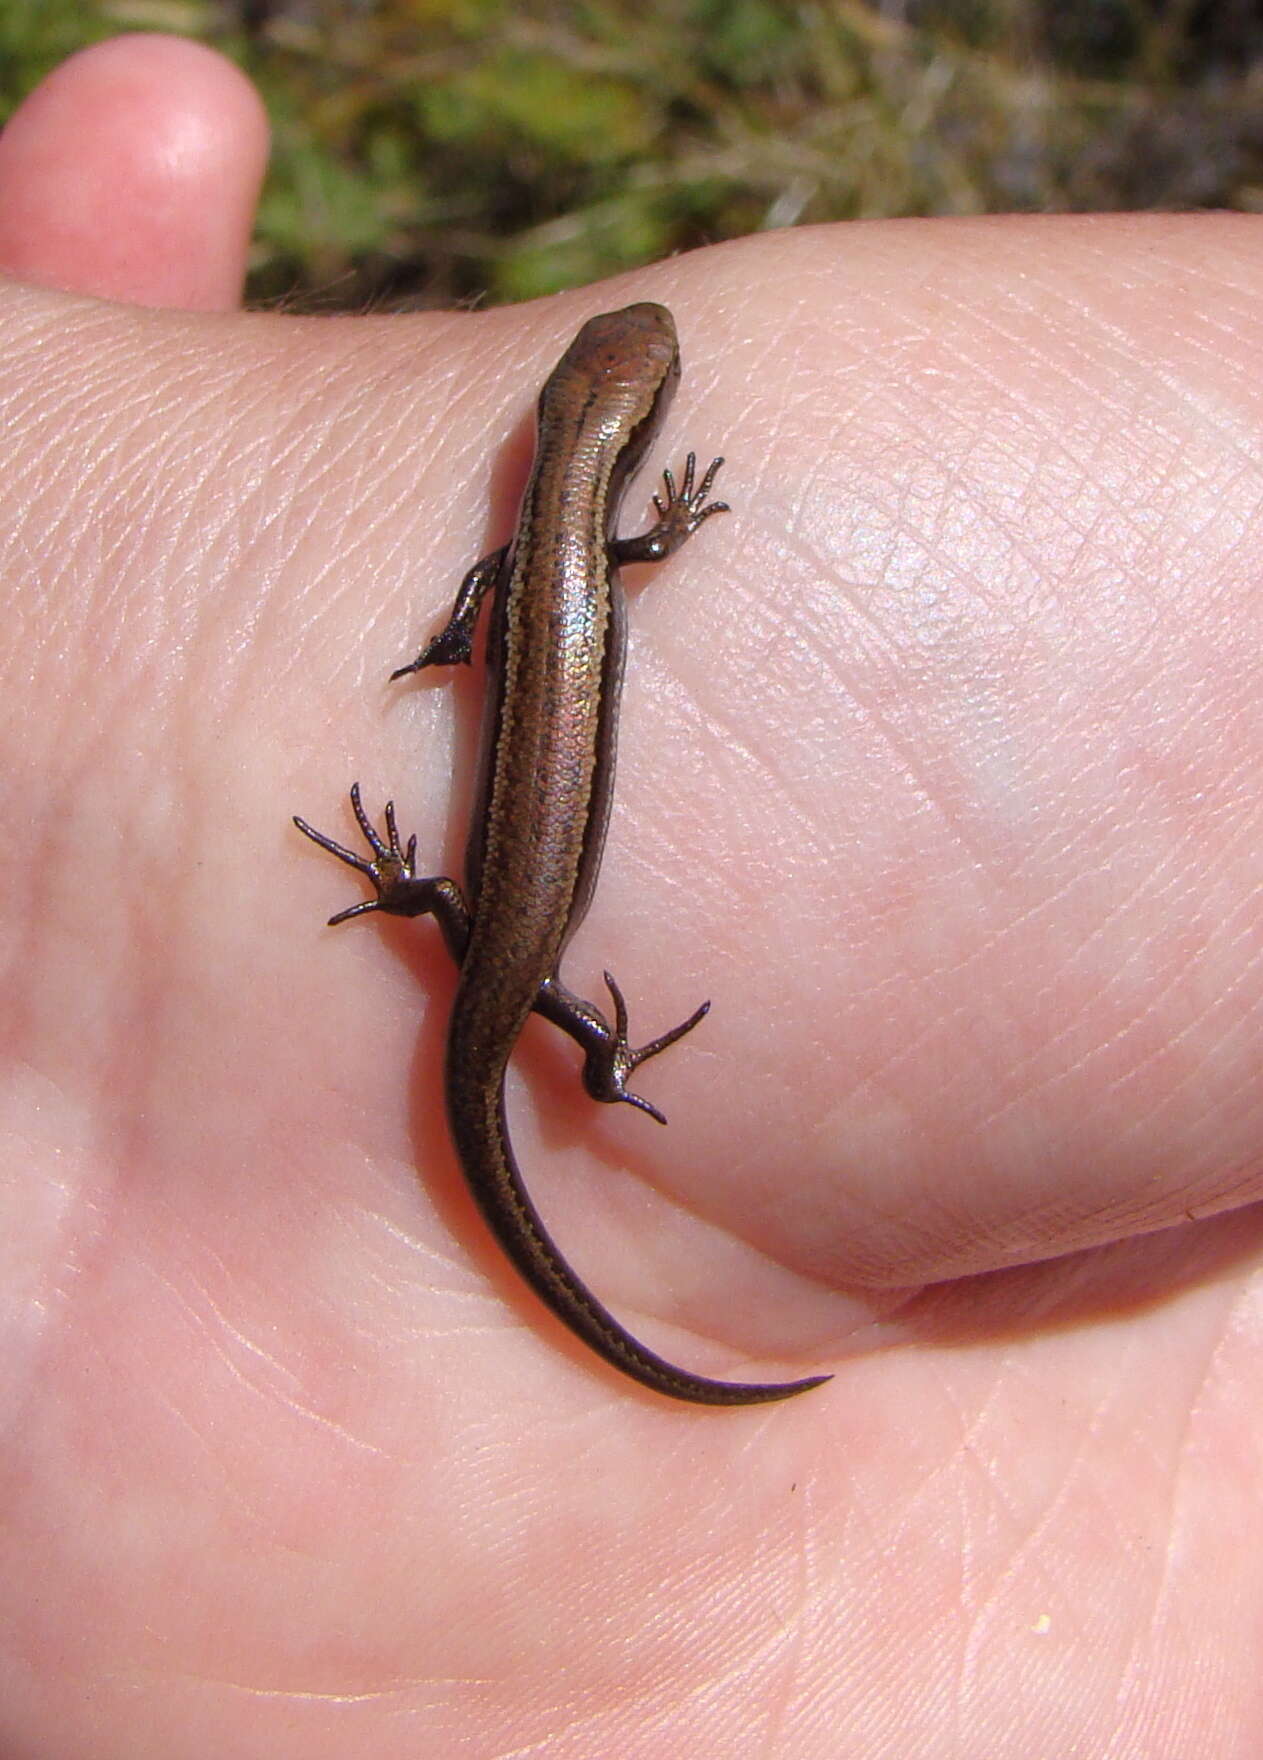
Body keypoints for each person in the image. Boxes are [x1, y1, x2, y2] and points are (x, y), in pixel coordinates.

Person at [1, 32, 1257, 1759]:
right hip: (506, 937)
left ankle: (521, 1023)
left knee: (493, 963)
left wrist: (420, 832)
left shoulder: (539, 554)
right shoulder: (597, 548)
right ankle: (562, 1059)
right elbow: (533, 602)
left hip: (495, 922)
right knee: (517, 992)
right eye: (629, 396)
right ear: (599, 428)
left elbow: (473, 623)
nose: (642, 390)